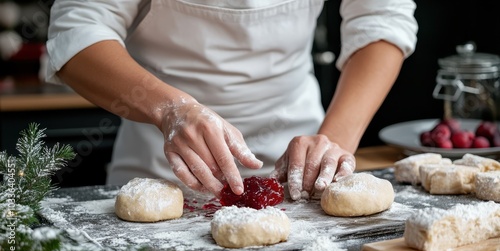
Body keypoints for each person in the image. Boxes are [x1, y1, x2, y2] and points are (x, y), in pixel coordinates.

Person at [45, 0, 418, 200]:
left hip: (302, 171)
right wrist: (171, 109)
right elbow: (76, 31)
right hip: (159, 175)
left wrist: (335, 142)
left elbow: (382, 18)